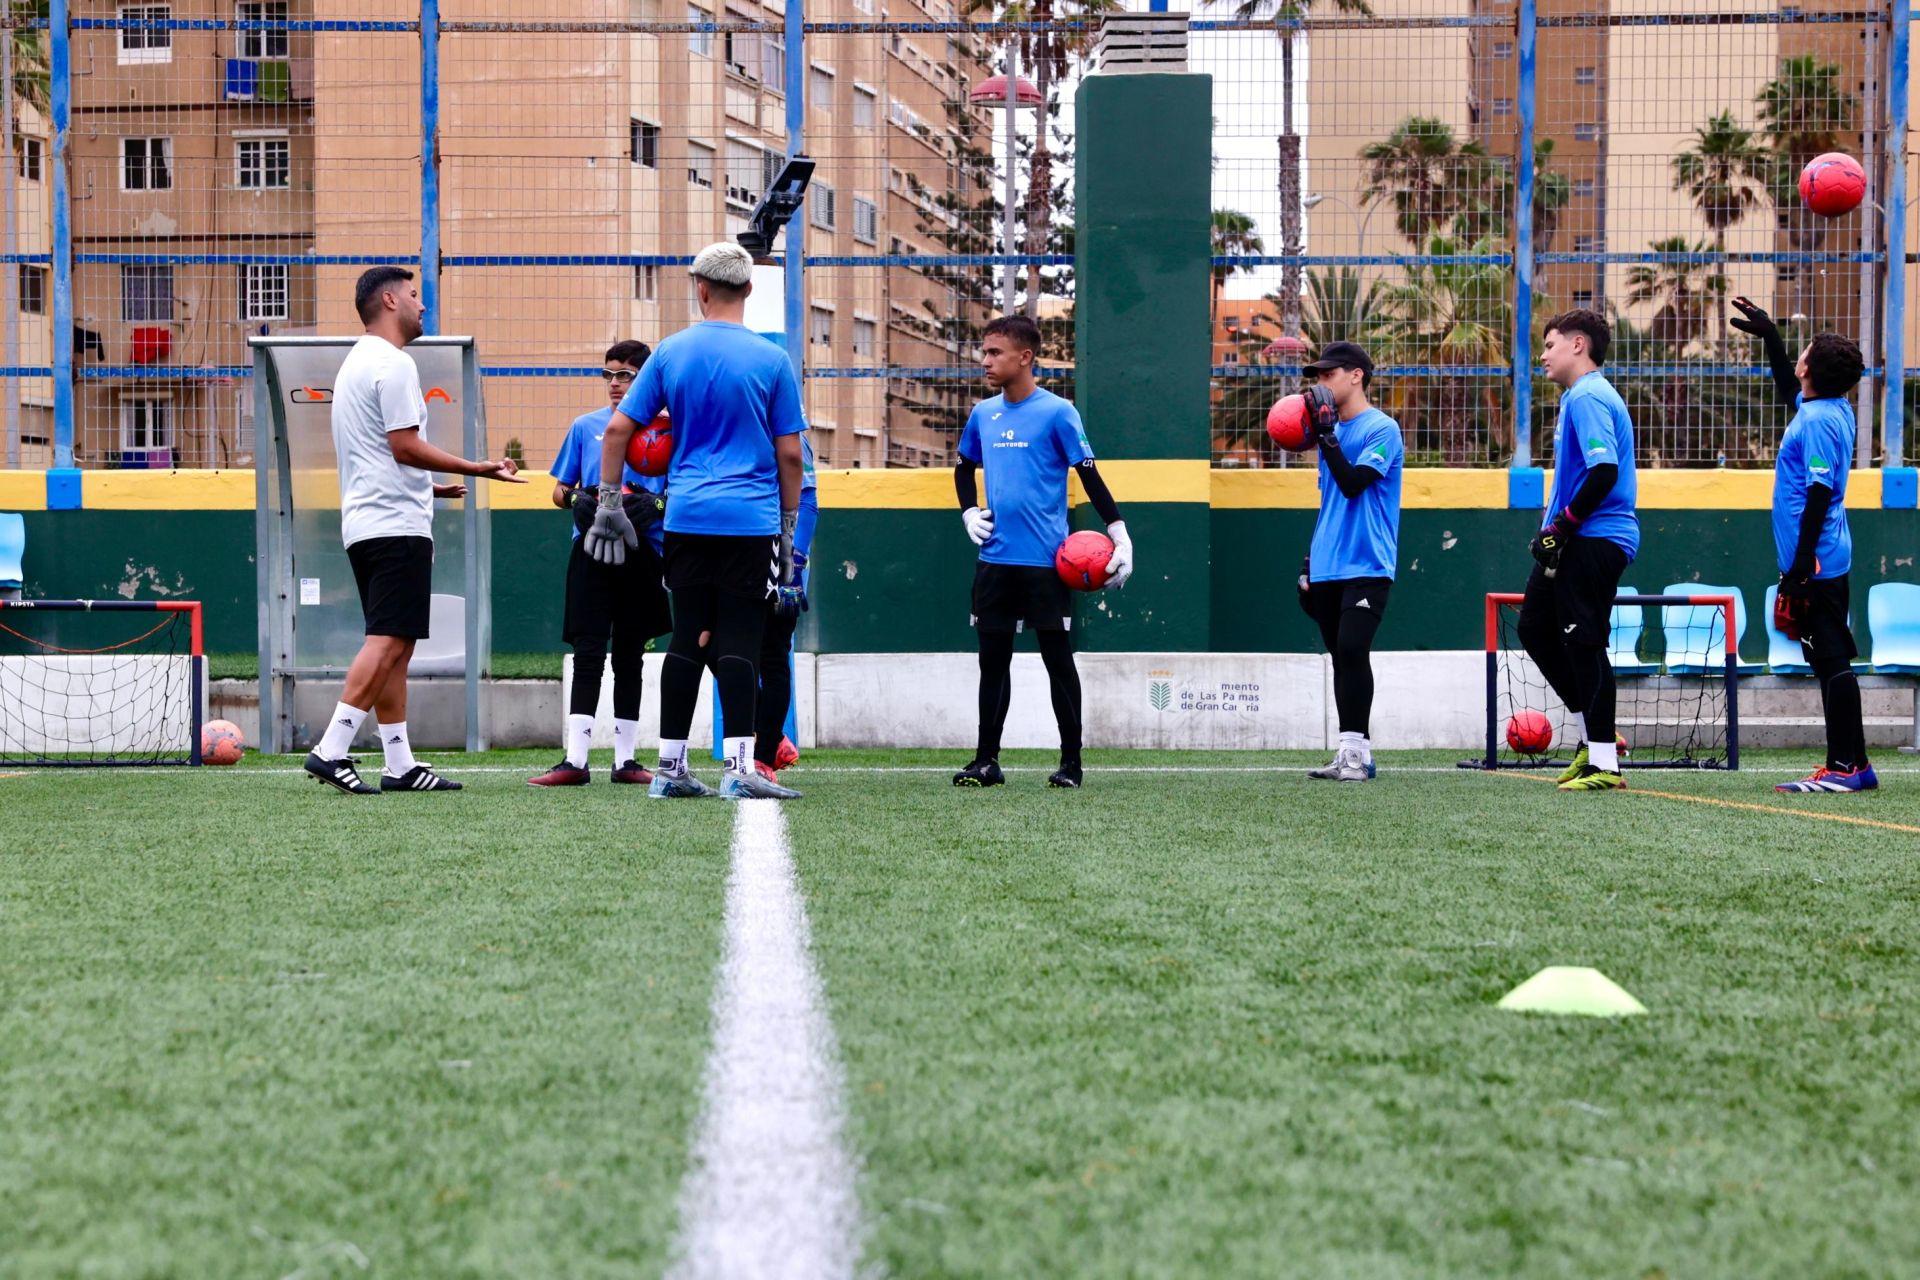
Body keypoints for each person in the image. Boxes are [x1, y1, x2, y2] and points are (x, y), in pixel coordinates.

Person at [584, 242, 806, 800]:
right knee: (740, 637)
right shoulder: (772, 360)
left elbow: (617, 431)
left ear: (700, 289)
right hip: (749, 521)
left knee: (687, 636)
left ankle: (669, 769)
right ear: (748, 291)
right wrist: (786, 529)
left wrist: (609, 505)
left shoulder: (670, 352)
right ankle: (739, 768)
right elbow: (792, 457)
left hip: (686, 517)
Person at [304, 266, 525, 795]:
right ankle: (331, 749)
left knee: (398, 643)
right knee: (388, 639)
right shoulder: (394, 363)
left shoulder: (356, 363)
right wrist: (477, 468)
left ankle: (399, 764)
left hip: (370, 523)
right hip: (393, 528)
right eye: (413, 295)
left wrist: (431, 490)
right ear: (388, 299)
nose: (421, 305)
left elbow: (377, 456)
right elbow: (403, 445)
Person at [951, 314, 1134, 789]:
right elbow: (962, 468)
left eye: (995, 352)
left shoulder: (1058, 412)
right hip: (995, 562)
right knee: (993, 662)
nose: (985, 360)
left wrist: (1119, 532)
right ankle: (986, 761)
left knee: (1058, 661)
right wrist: (969, 511)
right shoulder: (982, 415)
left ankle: (1071, 763)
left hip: (1046, 566)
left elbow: (1089, 475)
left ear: (1025, 357)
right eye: (984, 351)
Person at [1731, 298, 1876, 793]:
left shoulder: (1817, 422)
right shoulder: (1827, 407)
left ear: (1810, 366)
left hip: (1815, 561)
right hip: (1822, 557)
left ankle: (1844, 769)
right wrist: (1771, 336)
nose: (1800, 357)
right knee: (1829, 659)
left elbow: (1817, 494)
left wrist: (1797, 567)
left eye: (1802, 350)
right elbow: (1790, 388)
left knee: (1832, 661)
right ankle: (1856, 765)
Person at [527, 340, 673, 788]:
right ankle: (575, 760)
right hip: (591, 551)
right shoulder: (584, 426)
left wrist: (658, 505)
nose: (615, 383)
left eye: (625, 374)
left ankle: (626, 761)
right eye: (608, 374)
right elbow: (558, 490)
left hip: (643, 553)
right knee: (588, 651)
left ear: (645, 378)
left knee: (631, 655)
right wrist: (577, 500)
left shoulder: (669, 433)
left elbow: (683, 488)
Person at [1518, 308, 1639, 793]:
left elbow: (1603, 471)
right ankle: (1597, 735)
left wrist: (1563, 526)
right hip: (1574, 537)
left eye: (1549, 345)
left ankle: (1605, 765)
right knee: (1533, 627)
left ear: (1578, 345)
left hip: (1595, 538)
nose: (1543, 355)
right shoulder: (1578, 397)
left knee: (1583, 643)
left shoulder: (1589, 395)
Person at [1295, 341, 1403, 782]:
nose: (1320, 385)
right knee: (1341, 657)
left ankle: (1356, 756)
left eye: (1328, 375)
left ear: (1355, 375)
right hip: (1327, 564)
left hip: (1368, 563)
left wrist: (1326, 436)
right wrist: (1308, 561)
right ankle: (1351, 752)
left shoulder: (1382, 429)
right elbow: (1331, 503)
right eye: (1317, 377)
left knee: (1355, 649)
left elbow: (1355, 483)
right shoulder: (1330, 434)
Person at [750, 430, 818, 782]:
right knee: (715, 647)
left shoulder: (787, 428)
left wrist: (795, 563)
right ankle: (773, 736)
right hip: (735, 552)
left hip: (779, 562)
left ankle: (763, 758)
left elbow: (807, 500)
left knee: (773, 655)